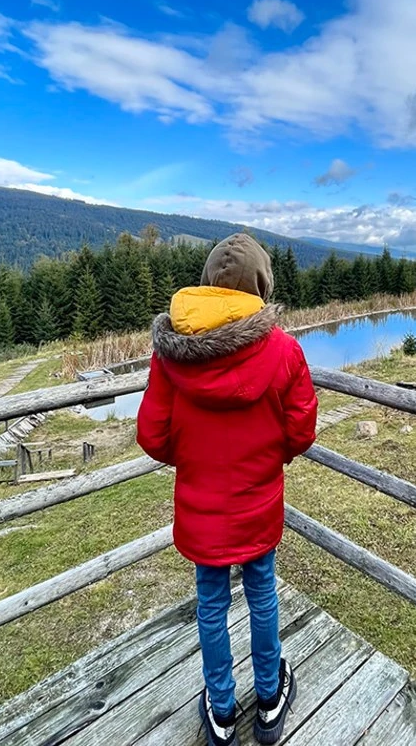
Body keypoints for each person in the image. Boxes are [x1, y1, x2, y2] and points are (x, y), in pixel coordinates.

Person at [137, 233, 318, 746]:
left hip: (201, 507)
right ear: (261, 285)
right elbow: (301, 430)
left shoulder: (175, 354)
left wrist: (194, 462)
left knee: (210, 604)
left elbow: (152, 436)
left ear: (208, 283)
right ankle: (268, 700)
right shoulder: (284, 350)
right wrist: (268, 459)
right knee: (262, 595)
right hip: (259, 503)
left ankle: (219, 709)